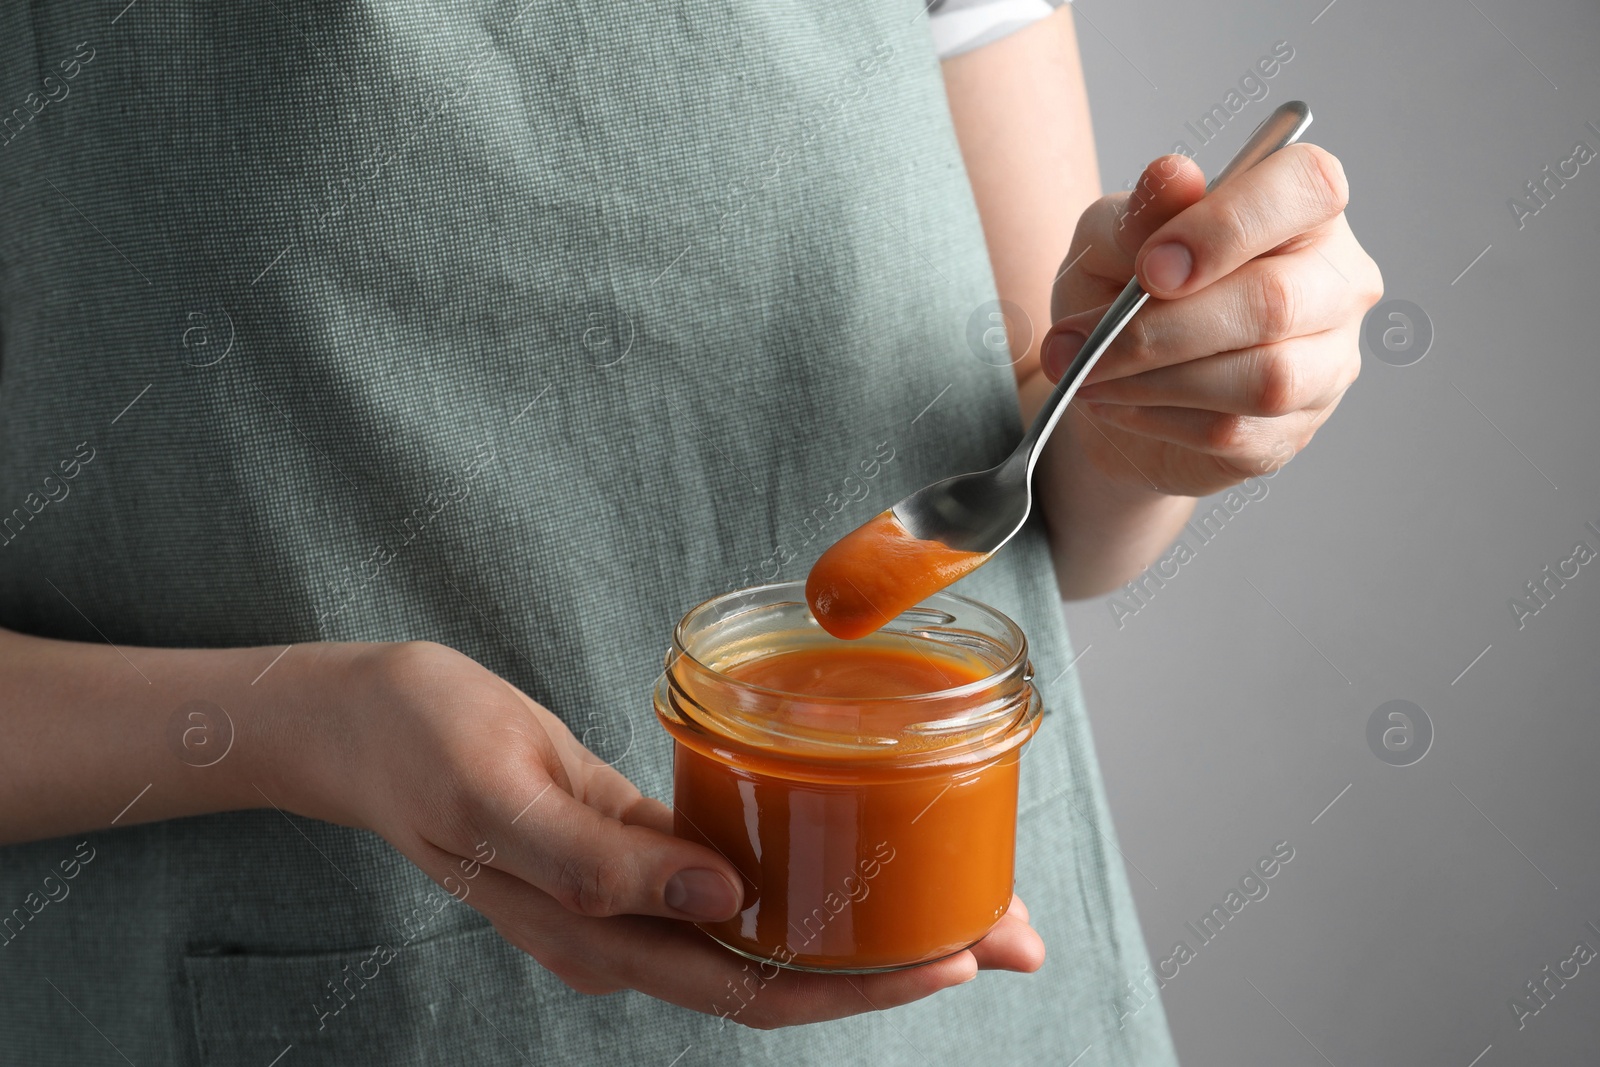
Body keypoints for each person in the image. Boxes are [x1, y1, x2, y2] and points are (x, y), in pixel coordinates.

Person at [0, 1, 1378, 1063]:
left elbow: (1050, 486)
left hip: (965, 1015)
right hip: (356, 1004)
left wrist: (1154, 419)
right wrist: (309, 723)